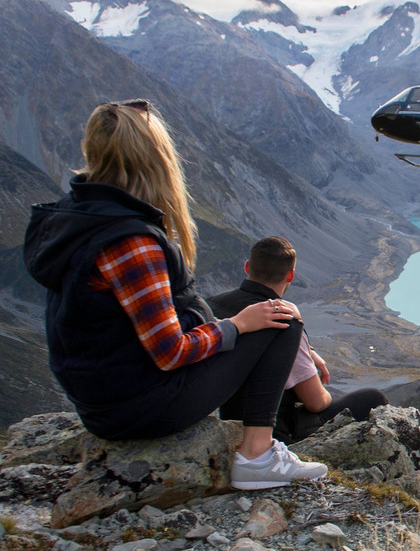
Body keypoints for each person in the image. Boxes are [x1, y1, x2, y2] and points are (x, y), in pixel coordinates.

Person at [23, 98, 327, 491]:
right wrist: (237, 325)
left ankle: (258, 450)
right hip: (144, 407)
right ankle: (257, 455)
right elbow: (170, 351)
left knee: (264, 319)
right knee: (283, 318)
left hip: (107, 402)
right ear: (154, 158)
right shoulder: (131, 241)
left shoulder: (81, 219)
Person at [209, 236, 388, 442]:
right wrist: (325, 391)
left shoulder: (212, 305)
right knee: (373, 398)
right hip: (273, 432)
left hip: (222, 418)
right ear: (291, 275)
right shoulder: (283, 321)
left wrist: (308, 350)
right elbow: (316, 402)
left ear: (247, 267)